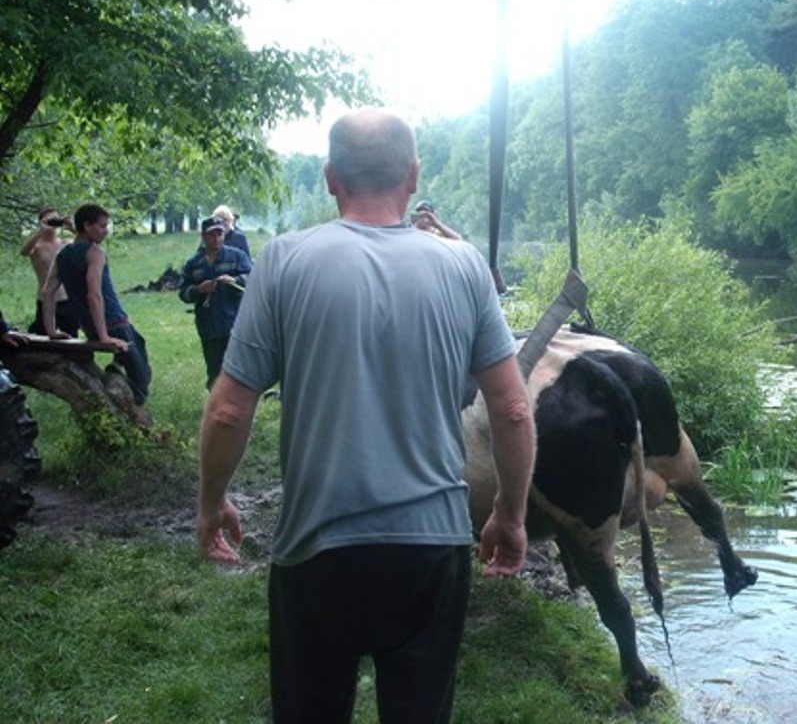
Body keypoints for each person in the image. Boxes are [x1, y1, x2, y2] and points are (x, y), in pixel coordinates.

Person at [197, 107, 535, 723]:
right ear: (412, 175)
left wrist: (211, 502)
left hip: (316, 548)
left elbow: (227, 410)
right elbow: (512, 408)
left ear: (330, 177)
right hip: (432, 548)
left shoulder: (282, 261)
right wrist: (510, 516)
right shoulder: (465, 269)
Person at [42, 203, 152, 405]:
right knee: (141, 379)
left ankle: (116, 375)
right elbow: (94, 295)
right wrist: (104, 336)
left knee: (139, 344)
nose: (106, 231)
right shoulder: (94, 253)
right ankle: (125, 406)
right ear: (87, 225)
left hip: (92, 327)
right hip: (114, 324)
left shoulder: (63, 254)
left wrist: (51, 331)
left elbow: (47, 292)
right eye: (102, 226)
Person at [178, 216, 252, 389]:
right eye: (212, 234)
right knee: (214, 371)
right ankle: (218, 408)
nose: (216, 238)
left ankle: (238, 409)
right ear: (203, 237)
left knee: (238, 369)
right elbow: (182, 293)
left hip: (234, 322)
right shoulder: (193, 264)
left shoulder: (237, 256)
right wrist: (198, 290)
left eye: (220, 234)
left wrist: (235, 280)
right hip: (208, 325)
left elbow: (252, 278)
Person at [19, 207, 80, 336]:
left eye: (55, 219)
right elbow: (24, 252)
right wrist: (41, 231)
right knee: (43, 338)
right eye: (49, 220)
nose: (53, 223)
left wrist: (72, 228)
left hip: (67, 299)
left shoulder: (66, 244)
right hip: (45, 299)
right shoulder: (37, 246)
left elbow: (88, 245)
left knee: (71, 337)